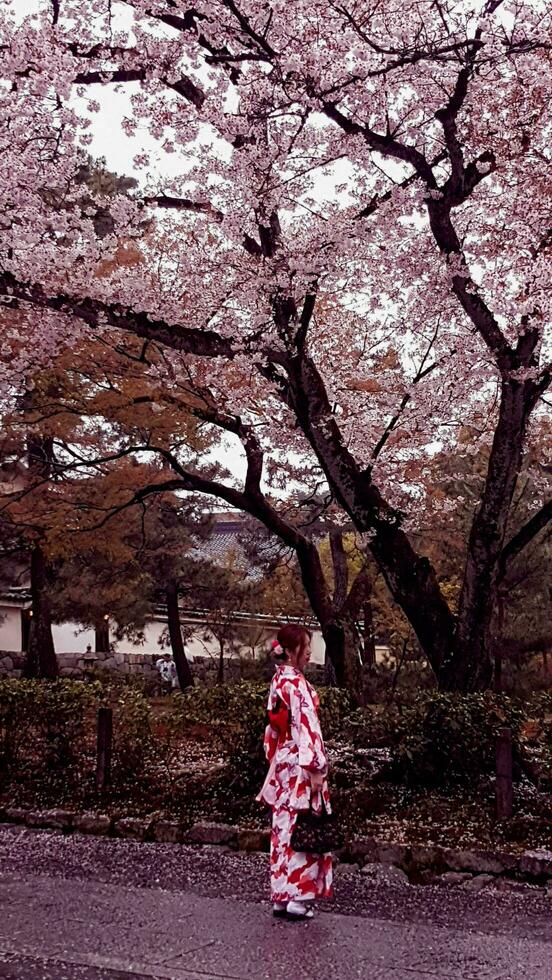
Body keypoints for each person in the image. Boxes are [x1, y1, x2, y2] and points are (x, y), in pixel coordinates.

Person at [257, 624, 332, 921]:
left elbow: (272, 729)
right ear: (291, 651)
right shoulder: (298, 684)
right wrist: (317, 767)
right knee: (306, 827)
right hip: (302, 765)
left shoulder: (278, 682)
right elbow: (308, 728)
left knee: (284, 828)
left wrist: (275, 758)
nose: (310, 652)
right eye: (306, 646)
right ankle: (300, 897)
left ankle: (282, 895)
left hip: (284, 762)